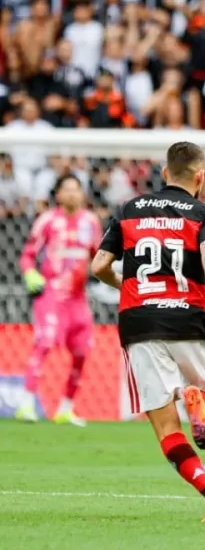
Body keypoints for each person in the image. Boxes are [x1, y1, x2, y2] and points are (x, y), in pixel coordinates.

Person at [91, 141, 205, 523]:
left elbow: (99, 266)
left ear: (164, 173)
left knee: (166, 430)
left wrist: (128, 285)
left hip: (139, 320)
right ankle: (197, 398)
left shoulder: (129, 209)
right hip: (186, 317)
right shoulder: (204, 212)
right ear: (200, 177)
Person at [16, 174, 103, 426]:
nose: (73, 193)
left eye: (77, 189)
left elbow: (99, 255)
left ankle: (65, 408)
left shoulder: (90, 222)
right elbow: (28, 254)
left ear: (82, 194)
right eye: (67, 189)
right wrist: (30, 273)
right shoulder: (47, 220)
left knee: (83, 351)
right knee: (44, 342)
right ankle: (26, 404)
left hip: (78, 297)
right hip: (51, 294)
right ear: (58, 194)